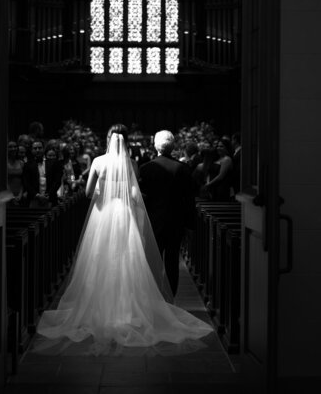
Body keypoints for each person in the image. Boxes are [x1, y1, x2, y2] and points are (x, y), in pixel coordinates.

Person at [32, 123, 212, 357]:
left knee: (99, 258)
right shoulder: (132, 164)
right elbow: (136, 195)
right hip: (123, 214)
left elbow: (88, 193)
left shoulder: (98, 162)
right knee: (127, 259)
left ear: (108, 140)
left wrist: (104, 192)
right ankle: (128, 309)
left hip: (103, 214)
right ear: (125, 142)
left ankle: (99, 307)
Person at [139, 130, 196, 296]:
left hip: (152, 222)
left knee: (152, 262)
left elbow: (141, 199)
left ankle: (153, 298)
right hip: (175, 222)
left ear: (155, 146)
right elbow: (189, 200)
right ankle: (171, 300)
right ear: (173, 147)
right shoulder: (183, 168)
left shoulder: (146, 169)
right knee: (172, 263)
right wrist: (190, 225)